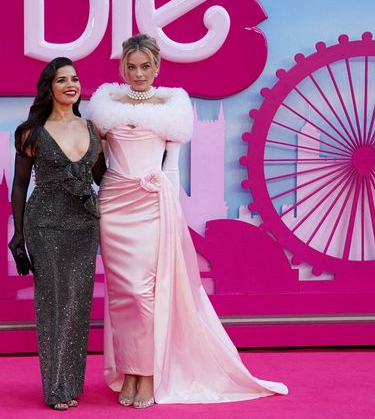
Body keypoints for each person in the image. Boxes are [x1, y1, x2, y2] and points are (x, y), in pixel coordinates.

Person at [87, 34, 288, 408]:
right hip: (113, 203)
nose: (138, 73)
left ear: (157, 67)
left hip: (151, 204)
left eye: (145, 66)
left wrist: (172, 211)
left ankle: (146, 375)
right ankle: (128, 372)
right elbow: (98, 163)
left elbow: (172, 169)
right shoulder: (104, 106)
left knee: (144, 293)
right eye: (131, 67)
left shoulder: (173, 107)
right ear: (122, 69)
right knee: (122, 296)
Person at [9, 57, 103, 411]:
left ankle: (70, 383)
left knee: (78, 303)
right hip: (45, 223)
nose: (70, 85)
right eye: (62, 79)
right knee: (53, 302)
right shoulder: (30, 131)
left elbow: (102, 179)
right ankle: (55, 388)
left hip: (84, 224)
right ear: (49, 86)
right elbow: (19, 186)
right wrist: (18, 236)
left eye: (75, 79)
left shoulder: (93, 128)